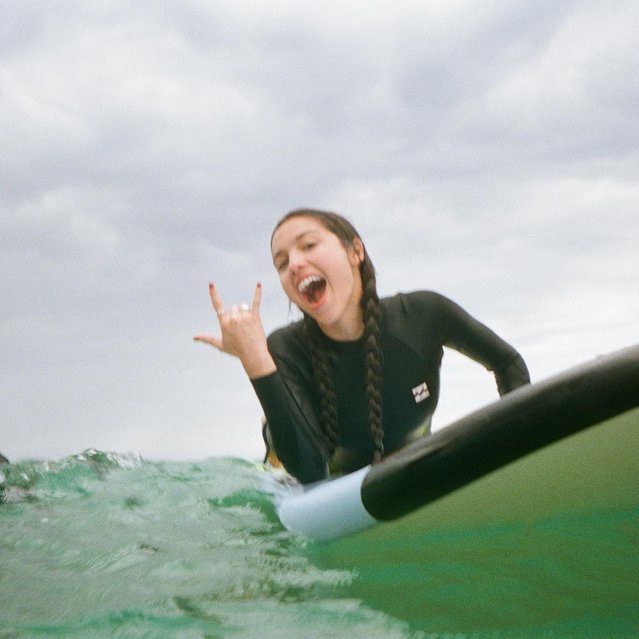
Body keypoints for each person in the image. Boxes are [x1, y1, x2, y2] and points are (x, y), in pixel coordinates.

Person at [194, 209, 530, 484]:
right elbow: (311, 473)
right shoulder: (286, 347)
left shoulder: (422, 314)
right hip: (310, 482)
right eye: (281, 263)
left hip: (412, 469)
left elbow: (507, 362)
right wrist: (256, 360)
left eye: (308, 246)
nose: (294, 264)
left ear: (356, 251)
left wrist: (522, 444)